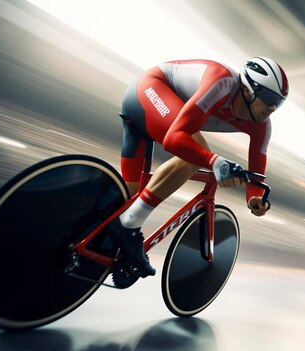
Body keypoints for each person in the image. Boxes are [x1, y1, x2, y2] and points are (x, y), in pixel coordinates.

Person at [106, 56, 289, 278]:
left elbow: (257, 174)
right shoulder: (221, 83)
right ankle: (128, 225)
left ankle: (93, 248)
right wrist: (215, 161)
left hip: (154, 106)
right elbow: (175, 138)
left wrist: (255, 199)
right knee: (195, 154)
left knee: (127, 202)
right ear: (249, 90)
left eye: (278, 103)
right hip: (150, 89)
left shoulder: (261, 127)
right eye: (269, 98)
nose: (272, 107)